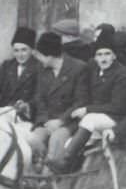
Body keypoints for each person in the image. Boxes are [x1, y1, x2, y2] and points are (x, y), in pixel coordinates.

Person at [48, 29, 126, 174]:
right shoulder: (94, 70)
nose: (103, 58)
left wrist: (87, 110)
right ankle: (67, 177)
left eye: (107, 54)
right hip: (97, 120)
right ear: (95, 57)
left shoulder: (122, 75)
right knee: (70, 143)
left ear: (114, 56)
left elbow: (118, 107)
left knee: (89, 119)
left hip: (116, 119)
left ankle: (64, 160)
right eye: (99, 54)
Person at [28, 31, 88, 168]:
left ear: (49, 56)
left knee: (56, 141)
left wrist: (60, 121)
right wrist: (45, 121)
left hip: (70, 122)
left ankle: (53, 179)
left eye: (40, 56)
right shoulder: (43, 69)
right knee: (32, 140)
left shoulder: (78, 68)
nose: (38, 59)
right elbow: (39, 98)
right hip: (47, 121)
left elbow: (81, 101)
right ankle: (35, 175)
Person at [0, 27, 41, 117]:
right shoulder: (7, 65)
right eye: (16, 50)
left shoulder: (39, 68)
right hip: (2, 111)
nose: (20, 55)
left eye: (24, 50)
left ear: (32, 50)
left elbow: (40, 97)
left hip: (23, 115)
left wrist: (27, 105)